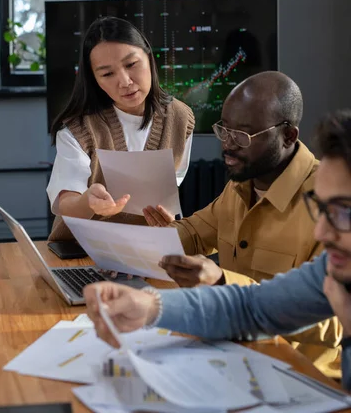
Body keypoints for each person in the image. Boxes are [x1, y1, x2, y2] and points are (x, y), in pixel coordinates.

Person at [85, 109, 351, 391]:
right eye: (321, 208)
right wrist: (149, 306)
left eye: (343, 212)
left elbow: (325, 327)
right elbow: (252, 307)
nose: (321, 230)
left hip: (307, 375)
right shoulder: (331, 269)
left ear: (287, 136)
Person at [142, 71, 341, 377]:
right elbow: (194, 232)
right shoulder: (241, 184)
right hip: (233, 354)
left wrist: (222, 282)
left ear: (288, 136)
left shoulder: (329, 202)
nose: (227, 144)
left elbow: (332, 322)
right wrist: (136, 244)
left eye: (243, 135)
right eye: (225, 129)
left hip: (297, 371)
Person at [47, 16, 195, 241]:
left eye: (131, 64)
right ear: (95, 79)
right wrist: (88, 201)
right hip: (82, 250)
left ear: (149, 57)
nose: (125, 81)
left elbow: (173, 183)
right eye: (107, 74)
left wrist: (165, 216)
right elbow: (66, 203)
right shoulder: (79, 129)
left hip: (146, 248)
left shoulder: (180, 118)